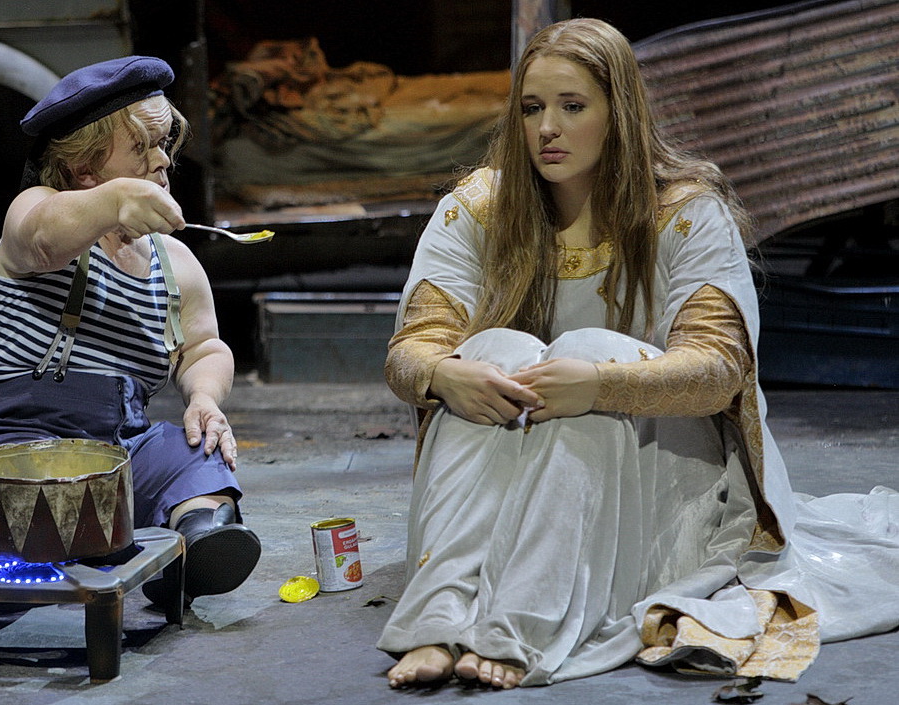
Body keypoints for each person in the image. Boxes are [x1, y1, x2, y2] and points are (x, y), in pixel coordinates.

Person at [378, 18, 899, 690]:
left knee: (591, 348)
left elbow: (719, 368)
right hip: (513, 452)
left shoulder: (685, 211)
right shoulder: (479, 208)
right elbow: (412, 347)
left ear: (618, 112)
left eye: (572, 106)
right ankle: (438, 617)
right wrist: (444, 373)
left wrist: (600, 382)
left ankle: (520, 623)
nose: (547, 129)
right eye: (532, 108)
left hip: (662, 462)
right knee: (490, 350)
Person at [0, 55, 260, 625]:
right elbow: (43, 239)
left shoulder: (173, 263)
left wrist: (204, 396)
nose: (163, 160)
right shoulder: (37, 213)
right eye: (142, 147)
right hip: (18, 437)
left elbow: (203, 347)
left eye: (165, 143)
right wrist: (113, 205)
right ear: (83, 166)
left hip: (117, 445)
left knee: (193, 454)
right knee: (15, 508)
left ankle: (196, 539)